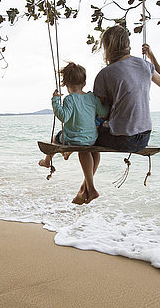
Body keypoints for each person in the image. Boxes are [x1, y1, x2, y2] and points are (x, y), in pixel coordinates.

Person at [82, 24, 160, 200]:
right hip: (144, 138)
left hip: (122, 139)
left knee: (85, 140)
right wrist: (151, 56)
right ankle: (84, 190)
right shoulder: (145, 65)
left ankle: (88, 189)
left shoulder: (105, 74)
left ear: (107, 47)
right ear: (127, 43)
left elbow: (100, 112)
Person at [38, 62, 108, 204]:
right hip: (92, 138)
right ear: (84, 82)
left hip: (74, 138)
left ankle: (47, 161)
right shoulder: (92, 97)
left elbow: (63, 116)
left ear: (66, 84)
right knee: (85, 148)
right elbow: (104, 112)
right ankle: (67, 156)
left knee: (55, 138)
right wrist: (106, 102)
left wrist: (55, 100)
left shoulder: (69, 99)